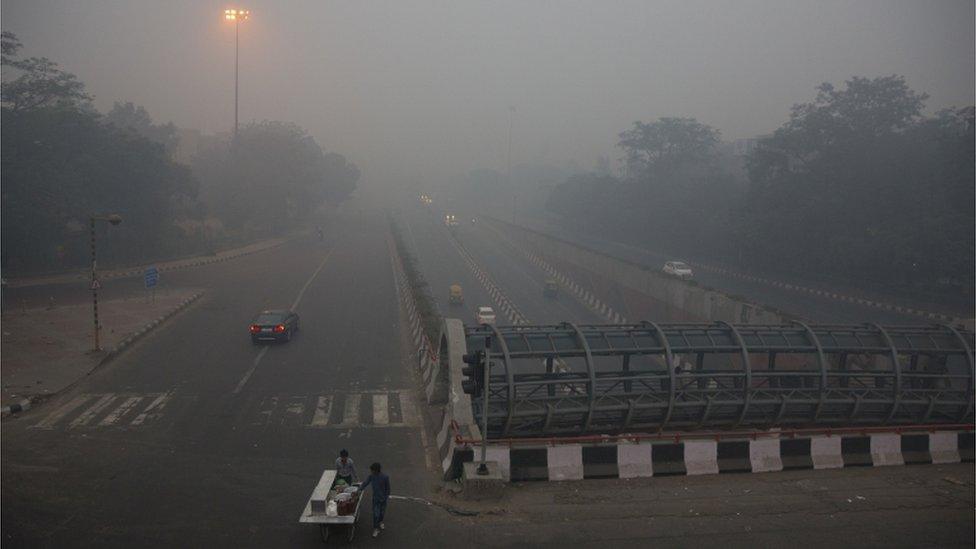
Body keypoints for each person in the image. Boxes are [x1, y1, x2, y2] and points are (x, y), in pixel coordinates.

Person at [358, 462, 391, 538]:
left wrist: (386, 496)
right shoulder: (371, 476)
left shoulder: (385, 477)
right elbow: (365, 483)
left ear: (377, 470)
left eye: (372, 470)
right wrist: (359, 489)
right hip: (375, 499)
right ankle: (375, 528)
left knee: (382, 513)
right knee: (376, 514)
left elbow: (388, 488)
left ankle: (380, 522)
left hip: (383, 500)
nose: (371, 471)